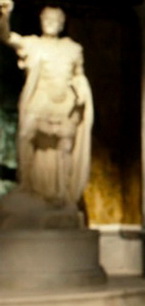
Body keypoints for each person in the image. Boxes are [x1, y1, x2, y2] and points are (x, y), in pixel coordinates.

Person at [0, 0, 92, 208]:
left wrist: (81, 90)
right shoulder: (33, 44)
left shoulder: (73, 49)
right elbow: (6, 36)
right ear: (41, 21)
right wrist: (4, 15)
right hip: (40, 99)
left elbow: (78, 74)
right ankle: (26, 185)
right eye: (47, 19)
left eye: (55, 19)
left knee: (65, 144)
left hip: (64, 103)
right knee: (26, 135)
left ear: (62, 23)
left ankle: (63, 191)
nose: (51, 22)